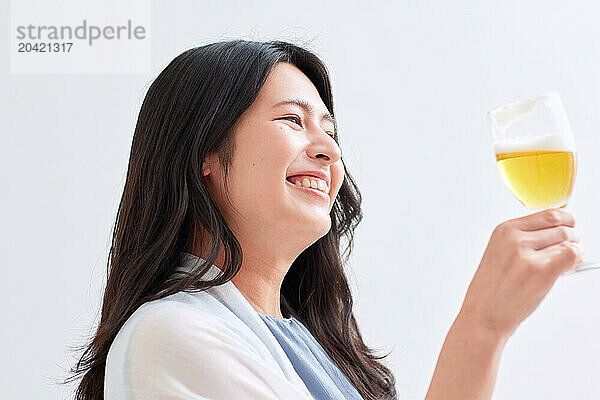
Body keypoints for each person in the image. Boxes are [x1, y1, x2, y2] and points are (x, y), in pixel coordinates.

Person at [66, 40, 584, 400]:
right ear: (202, 152)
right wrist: (482, 326)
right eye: (293, 120)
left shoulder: (304, 340)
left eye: (329, 131)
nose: (327, 151)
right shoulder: (170, 335)